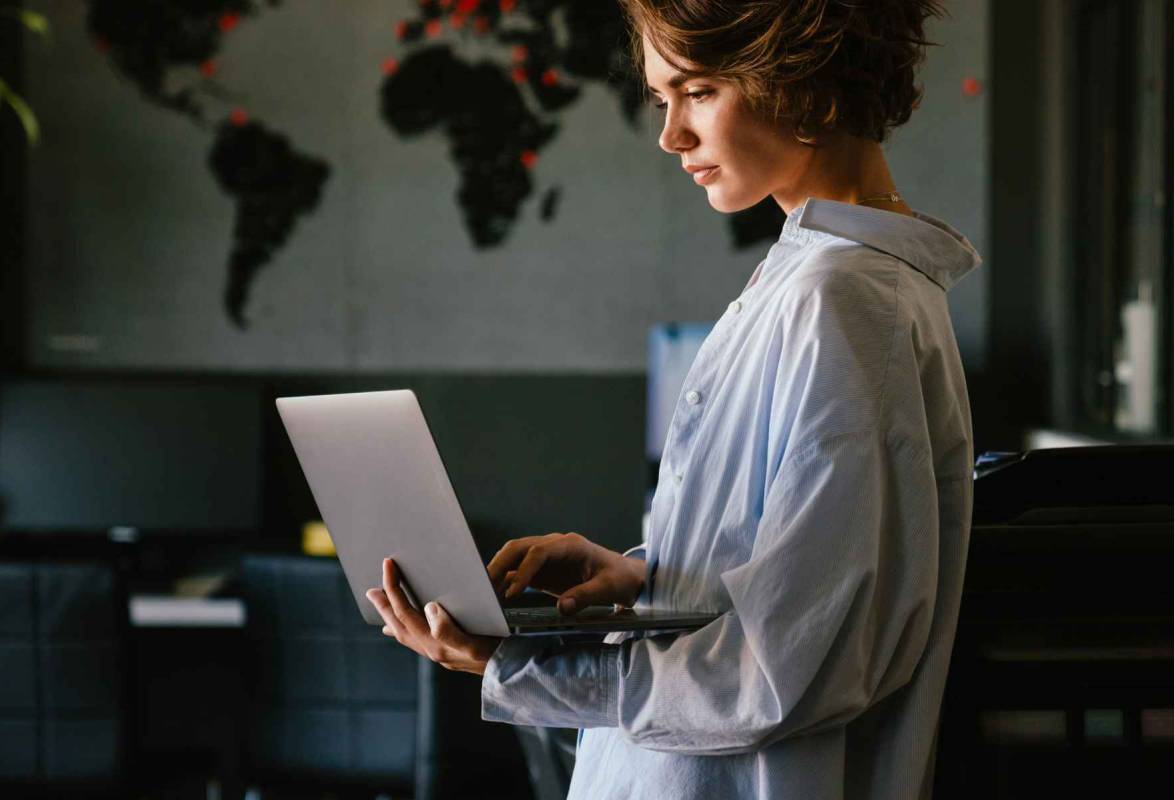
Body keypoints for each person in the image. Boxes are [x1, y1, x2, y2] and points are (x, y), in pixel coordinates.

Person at [364, 0, 978, 796]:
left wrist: (510, 663)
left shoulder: (845, 301)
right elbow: (797, 569)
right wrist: (647, 577)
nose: (671, 136)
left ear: (806, 83)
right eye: (664, 100)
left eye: (699, 92)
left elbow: (789, 664)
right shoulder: (815, 282)